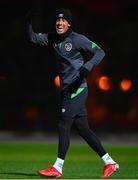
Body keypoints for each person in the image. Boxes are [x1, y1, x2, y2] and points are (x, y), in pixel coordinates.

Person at [26, 8, 119, 178]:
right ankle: (110, 162)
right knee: (83, 129)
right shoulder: (52, 37)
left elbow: (100, 51)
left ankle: (58, 167)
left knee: (63, 125)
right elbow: (32, 37)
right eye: (57, 20)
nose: (59, 23)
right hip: (66, 90)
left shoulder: (77, 39)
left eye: (63, 21)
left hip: (77, 90)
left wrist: (88, 66)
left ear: (69, 23)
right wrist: (29, 22)